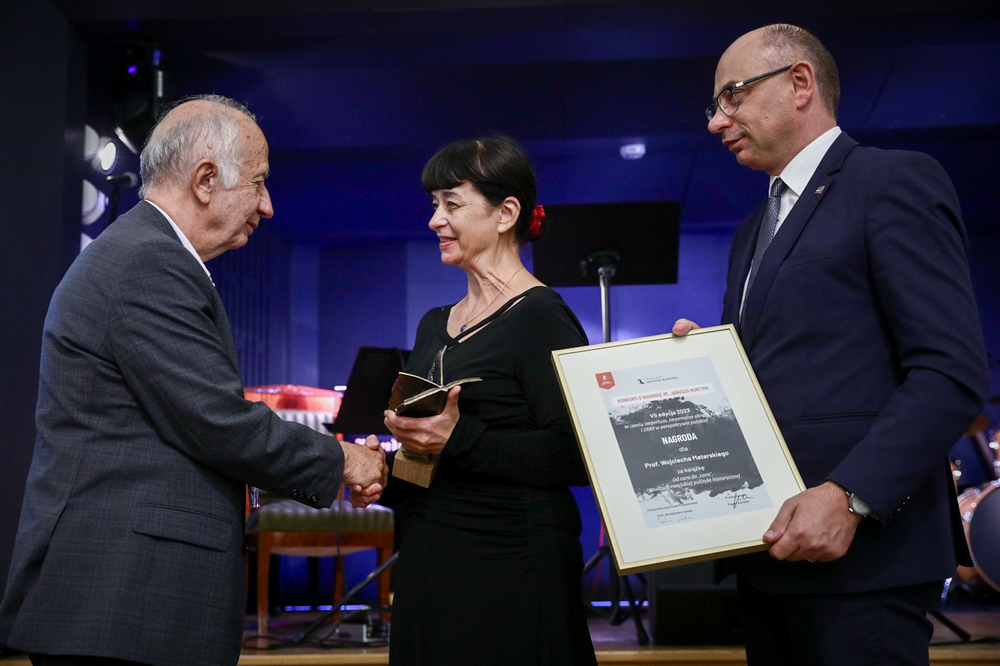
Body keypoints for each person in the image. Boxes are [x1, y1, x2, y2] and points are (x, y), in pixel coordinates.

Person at [0, 95, 387, 666]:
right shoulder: (147, 262)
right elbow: (218, 421)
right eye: (257, 183)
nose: (269, 205)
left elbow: (178, 439)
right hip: (120, 604)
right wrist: (345, 462)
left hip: (126, 603)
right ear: (206, 179)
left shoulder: (144, 254)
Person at [672, 24, 988, 665]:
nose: (717, 121)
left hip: (865, 562)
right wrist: (713, 365)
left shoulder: (890, 181)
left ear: (799, 83)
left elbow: (950, 371)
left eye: (731, 96)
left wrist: (850, 495)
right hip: (770, 558)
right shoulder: (752, 230)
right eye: (715, 105)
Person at [381, 136, 597, 666]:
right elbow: (432, 454)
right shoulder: (435, 323)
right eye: (433, 204)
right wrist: (389, 467)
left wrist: (460, 438)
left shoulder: (542, 317)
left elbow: (579, 456)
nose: (435, 220)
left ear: (506, 214)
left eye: (451, 204)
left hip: (511, 564)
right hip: (431, 554)